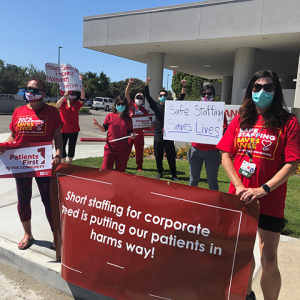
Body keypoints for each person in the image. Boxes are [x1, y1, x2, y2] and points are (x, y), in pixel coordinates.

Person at [217, 70, 300, 300]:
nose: (262, 91)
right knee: (242, 255)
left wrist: (263, 189)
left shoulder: (289, 122)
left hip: (270, 201)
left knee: (269, 259)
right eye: (257, 87)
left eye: (268, 87)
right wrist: (240, 186)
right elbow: (225, 155)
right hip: (240, 198)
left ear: (276, 91)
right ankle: (247, 295)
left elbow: (292, 163)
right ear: (250, 90)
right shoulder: (241, 119)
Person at [0, 78, 62, 250]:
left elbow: (58, 137)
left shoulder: (52, 112)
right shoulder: (18, 111)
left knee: (49, 200)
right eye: (28, 88)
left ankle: (57, 237)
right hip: (21, 163)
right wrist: (4, 147)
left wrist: (58, 154)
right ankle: (28, 234)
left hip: (43, 163)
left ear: (43, 93)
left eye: (34, 89)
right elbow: (14, 135)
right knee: (23, 199)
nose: (30, 91)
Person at [144, 78, 186, 181]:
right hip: (158, 134)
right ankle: (160, 172)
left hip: (169, 134)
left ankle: (174, 174)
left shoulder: (171, 106)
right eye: (161, 95)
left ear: (167, 97)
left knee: (171, 155)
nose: (163, 97)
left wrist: (183, 86)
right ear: (158, 97)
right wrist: (146, 84)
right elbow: (148, 96)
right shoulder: (155, 106)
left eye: (165, 95)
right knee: (158, 155)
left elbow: (181, 97)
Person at [188, 84, 227, 190]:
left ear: (214, 96)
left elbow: (225, 130)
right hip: (196, 149)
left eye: (209, 94)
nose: (206, 97)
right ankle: (190, 203)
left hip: (212, 151)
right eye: (204, 94)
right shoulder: (193, 110)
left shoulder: (219, 112)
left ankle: (214, 205)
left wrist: (223, 131)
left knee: (212, 181)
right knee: (193, 180)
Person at [93, 95, 135, 172]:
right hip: (110, 149)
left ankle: (117, 184)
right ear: (115, 105)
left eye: (122, 104)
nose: (120, 106)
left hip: (122, 150)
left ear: (126, 105)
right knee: (105, 170)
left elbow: (130, 132)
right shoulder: (110, 116)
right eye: (118, 104)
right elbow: (103, 129)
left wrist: (132, 136)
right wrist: (97, 125)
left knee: (120, 172)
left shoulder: (128, 119)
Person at [56, 78, 85, 164]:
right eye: (70, 93)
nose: (72, 95)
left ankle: (70, 162)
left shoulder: (77, 104)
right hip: (62, 129)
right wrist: (64, 97)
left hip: (74, 129)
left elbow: (83, 95)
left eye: (73, 94)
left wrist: (80, 82)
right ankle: (63, 161)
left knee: (72, 146)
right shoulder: (63, 102)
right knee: (62, 146)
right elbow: (57, 105)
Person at [125, 78, 151, 171]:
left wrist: (151, 126)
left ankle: (139, 166)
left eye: (141, 98)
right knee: (126, 150)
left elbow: (148, 122)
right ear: (134, 99)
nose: (139, 100)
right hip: (129, 133)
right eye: (137, 98)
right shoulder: (131, 105)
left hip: (139, 134)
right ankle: (124, 164)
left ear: (143, 100)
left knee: (139, 151)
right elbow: (126, 94)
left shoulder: (144, 110)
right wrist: (129, 83)